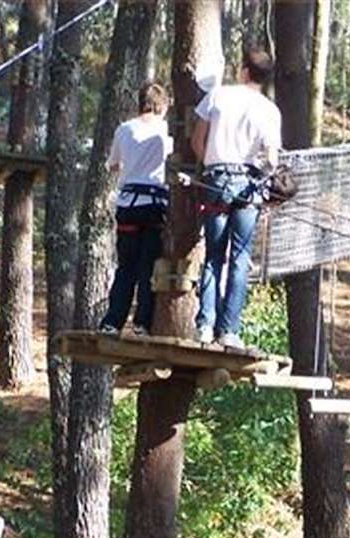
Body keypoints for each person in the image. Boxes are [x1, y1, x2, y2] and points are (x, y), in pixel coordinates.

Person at [190, 49, 282, 348]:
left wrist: (211, 166)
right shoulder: (269, 111)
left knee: (214, 257)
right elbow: (270, 158)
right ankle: (229, 330)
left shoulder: (217, 96)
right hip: (249, 185)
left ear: (244, 71)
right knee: (240, 259)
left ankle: (205, 325)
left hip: (216, 180)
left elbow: (196, 140)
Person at [99, 82, 173, 335]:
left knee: (126, 267)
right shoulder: (165, 131)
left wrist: (130, 167)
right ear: (161, 106)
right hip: (154, 207)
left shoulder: (124, 129)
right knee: (148, 268)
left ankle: (112, 322)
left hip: (128, 205)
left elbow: (112, 164)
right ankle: (142, 323)